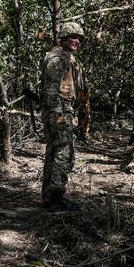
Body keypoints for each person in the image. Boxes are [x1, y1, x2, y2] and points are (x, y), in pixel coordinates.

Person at [40, 22, 87, 212]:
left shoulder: (67, 58)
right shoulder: (57, 58)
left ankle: (49, 198)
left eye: (79, 38)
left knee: (55, 151)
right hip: (57, 111)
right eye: (73, 37)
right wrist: (59, 116)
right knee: (63, 153)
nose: (76, 41)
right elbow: (51, 91)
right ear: (64, 38)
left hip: (61, 110)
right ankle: (56, 198)